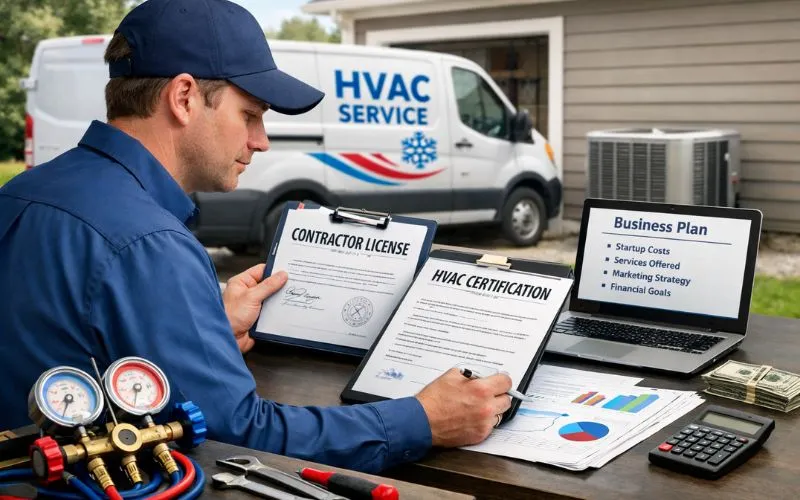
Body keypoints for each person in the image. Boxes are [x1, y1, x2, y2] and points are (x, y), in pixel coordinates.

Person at [0, 0, 512, 473]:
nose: (260, 141)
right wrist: (422, 420)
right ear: (183, 97)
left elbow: (66, 341)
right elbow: (235, 434)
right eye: (250, 115)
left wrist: (205, 333)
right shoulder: (149, 242)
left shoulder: (23, 192)